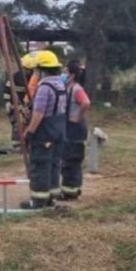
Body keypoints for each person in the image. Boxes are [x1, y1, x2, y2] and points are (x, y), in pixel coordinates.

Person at [20, 51, 68, 209]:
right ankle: (51, 196)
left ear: (41, 70)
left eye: (36, 70)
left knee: (40, 164)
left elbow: (39, 113)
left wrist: (30, 131)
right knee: (54, 163)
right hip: (59, 130)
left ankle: (38, 199)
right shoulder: (61, 84)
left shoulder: (44, 87)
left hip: (45, 132)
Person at [59, 59, 92, 200]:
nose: (63, 74)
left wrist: (77, 117)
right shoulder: (68, 88)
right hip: (70, 128)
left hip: (76, 129)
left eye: (65, 72)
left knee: (72, 160)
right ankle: (71, 190)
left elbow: (86, 102)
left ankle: (70, 192)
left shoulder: (76, 89)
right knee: (69, 160)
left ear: (71, 75)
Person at [3, 53, 37, 148]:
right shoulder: (15, 77)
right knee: (16, 123)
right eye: (24, 68)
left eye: (28, 69)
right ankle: (17, 143)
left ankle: (28, 143)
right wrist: (7, 102)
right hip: (17, 106)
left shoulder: (35, 78)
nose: (26, 71)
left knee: (30, 123)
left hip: (30, 106)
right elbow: (7, 89)